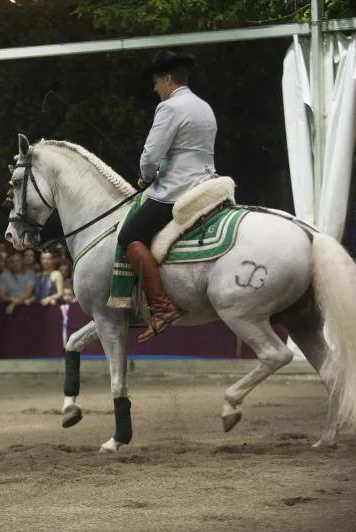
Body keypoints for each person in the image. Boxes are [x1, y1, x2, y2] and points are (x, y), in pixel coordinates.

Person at [117, 50, 217, 343]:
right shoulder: (204, 106)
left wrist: (147, 176)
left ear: (168, 79)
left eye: (156, 82)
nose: (154, 88)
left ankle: (162, 307)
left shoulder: (169, 108)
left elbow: (150, 156)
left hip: (176, 190)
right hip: (207, 184)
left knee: (128, 236)